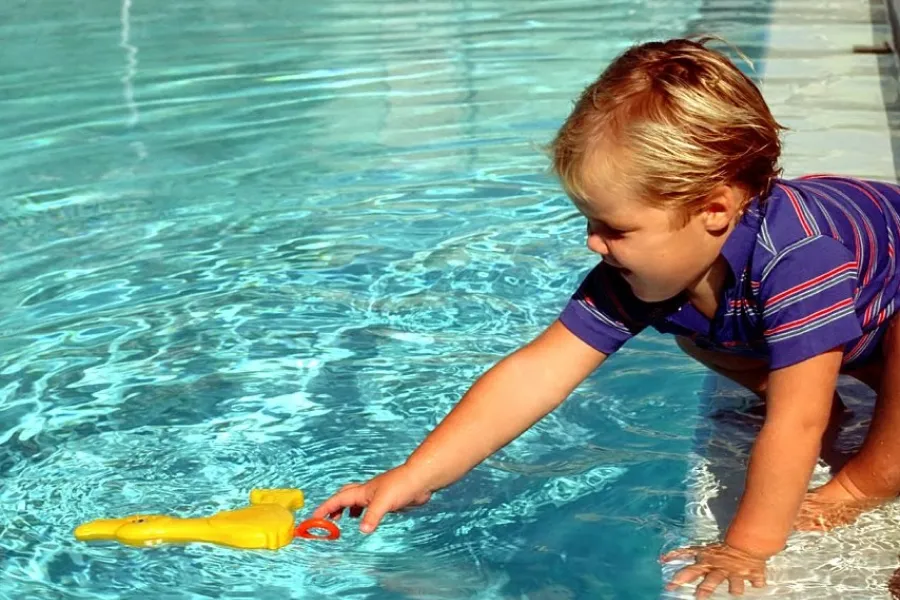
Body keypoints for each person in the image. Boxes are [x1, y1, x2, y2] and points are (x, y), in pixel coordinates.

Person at [313, 37, 900, 598]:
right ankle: (832, 384)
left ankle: (863, 483)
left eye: (614, 228)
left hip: (883, 300)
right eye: (590, 221)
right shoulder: (650, 268)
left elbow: (797, 423)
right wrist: (412, 476)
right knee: (696, 321)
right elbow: (536, 373)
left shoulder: (801, 260)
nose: (593, 243)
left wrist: (747, 548)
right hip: (855, 306)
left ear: (714, 210)